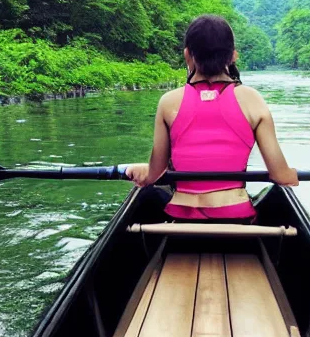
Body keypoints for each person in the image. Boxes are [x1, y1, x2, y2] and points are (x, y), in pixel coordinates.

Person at [126, 14, 298, 221]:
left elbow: (154, 173)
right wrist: (292, 173)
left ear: (187, 54)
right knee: (278, 196)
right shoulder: (253, 100)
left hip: (182, 218)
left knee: (148, 194)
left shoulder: (168, 102)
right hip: (235, 216)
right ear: (233, 55)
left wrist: (143, 169)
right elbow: (280, 176)